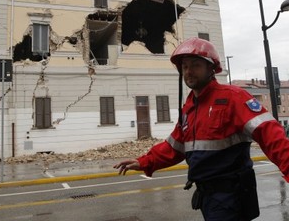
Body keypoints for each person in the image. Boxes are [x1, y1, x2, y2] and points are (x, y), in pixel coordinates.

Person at [114, 37, 289, 221]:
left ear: (211, 68)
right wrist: (144, 162)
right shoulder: (189, 108)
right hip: (207, 197)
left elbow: (270, 135)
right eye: (185, 66)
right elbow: (174, 147)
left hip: (231, 196)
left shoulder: (233, 98)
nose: (189, 71)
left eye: (195, 65)